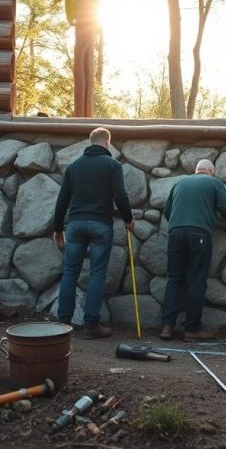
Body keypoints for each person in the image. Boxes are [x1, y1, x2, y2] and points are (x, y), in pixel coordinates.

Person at [53, 127, 133, 339]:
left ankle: (63, 323)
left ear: (90, 143)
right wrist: (128, 219)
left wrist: (57, 227)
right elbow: (121, 196)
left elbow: (62, 200)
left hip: (76, 224)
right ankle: (91, 326)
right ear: (107, 143)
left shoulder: (73, 167)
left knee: (70, 272)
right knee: (97, 274)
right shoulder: (113, 165)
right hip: (100, 225)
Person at [159, 158, 226, 342]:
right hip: (198, 234)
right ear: (211, 171)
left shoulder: (179, 182)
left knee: (174, 279)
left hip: (175, 233)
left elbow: (167, 211)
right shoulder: (214, 183)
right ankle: (191, 330)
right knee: (196, 280)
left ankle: (167, 326)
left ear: (197, 170)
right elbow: (225, 208)